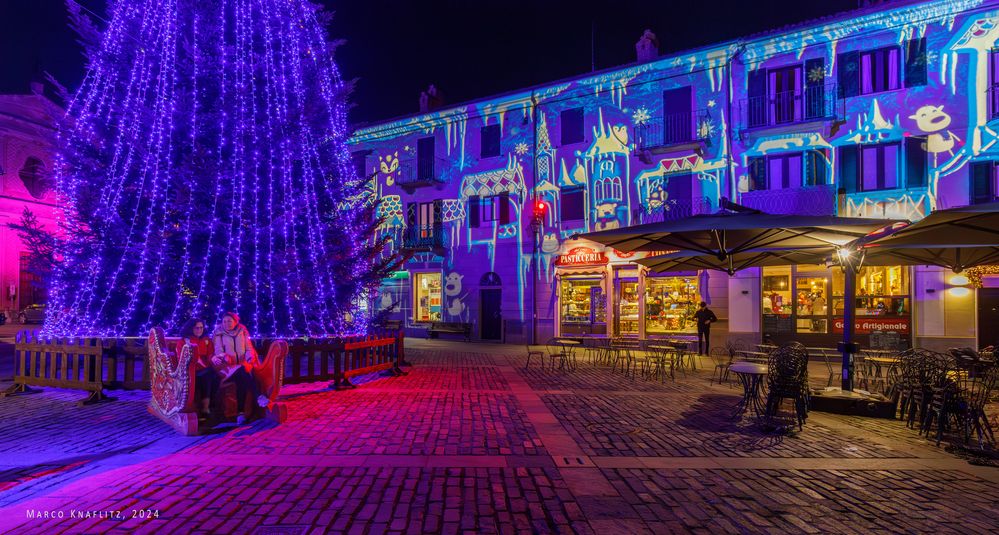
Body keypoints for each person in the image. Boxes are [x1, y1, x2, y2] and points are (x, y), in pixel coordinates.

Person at [212, 311, 266, 425]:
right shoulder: (218, 333)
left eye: (229, 321)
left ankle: (241, 414)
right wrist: (224, 356)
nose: (227, 323)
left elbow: (248, 348)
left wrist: (249, 356)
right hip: (226, 368)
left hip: (241, 365)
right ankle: (258, 397)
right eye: (224, 321)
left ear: (235, 321)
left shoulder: (242, 331)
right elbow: (218, 350)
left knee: (242, 377)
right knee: (243, 373)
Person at [177, 318, 218, 419]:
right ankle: (206, 408)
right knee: (209, 376)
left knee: (213, 376)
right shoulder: (184, 341)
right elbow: (181, 359)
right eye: (196, 328)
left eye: (201, 328)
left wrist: (214, 358)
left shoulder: (207, 340)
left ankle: (209, 407)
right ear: (191, 328)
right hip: (191, 371)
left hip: (206, 370)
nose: (199, 330)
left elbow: (210, 355)